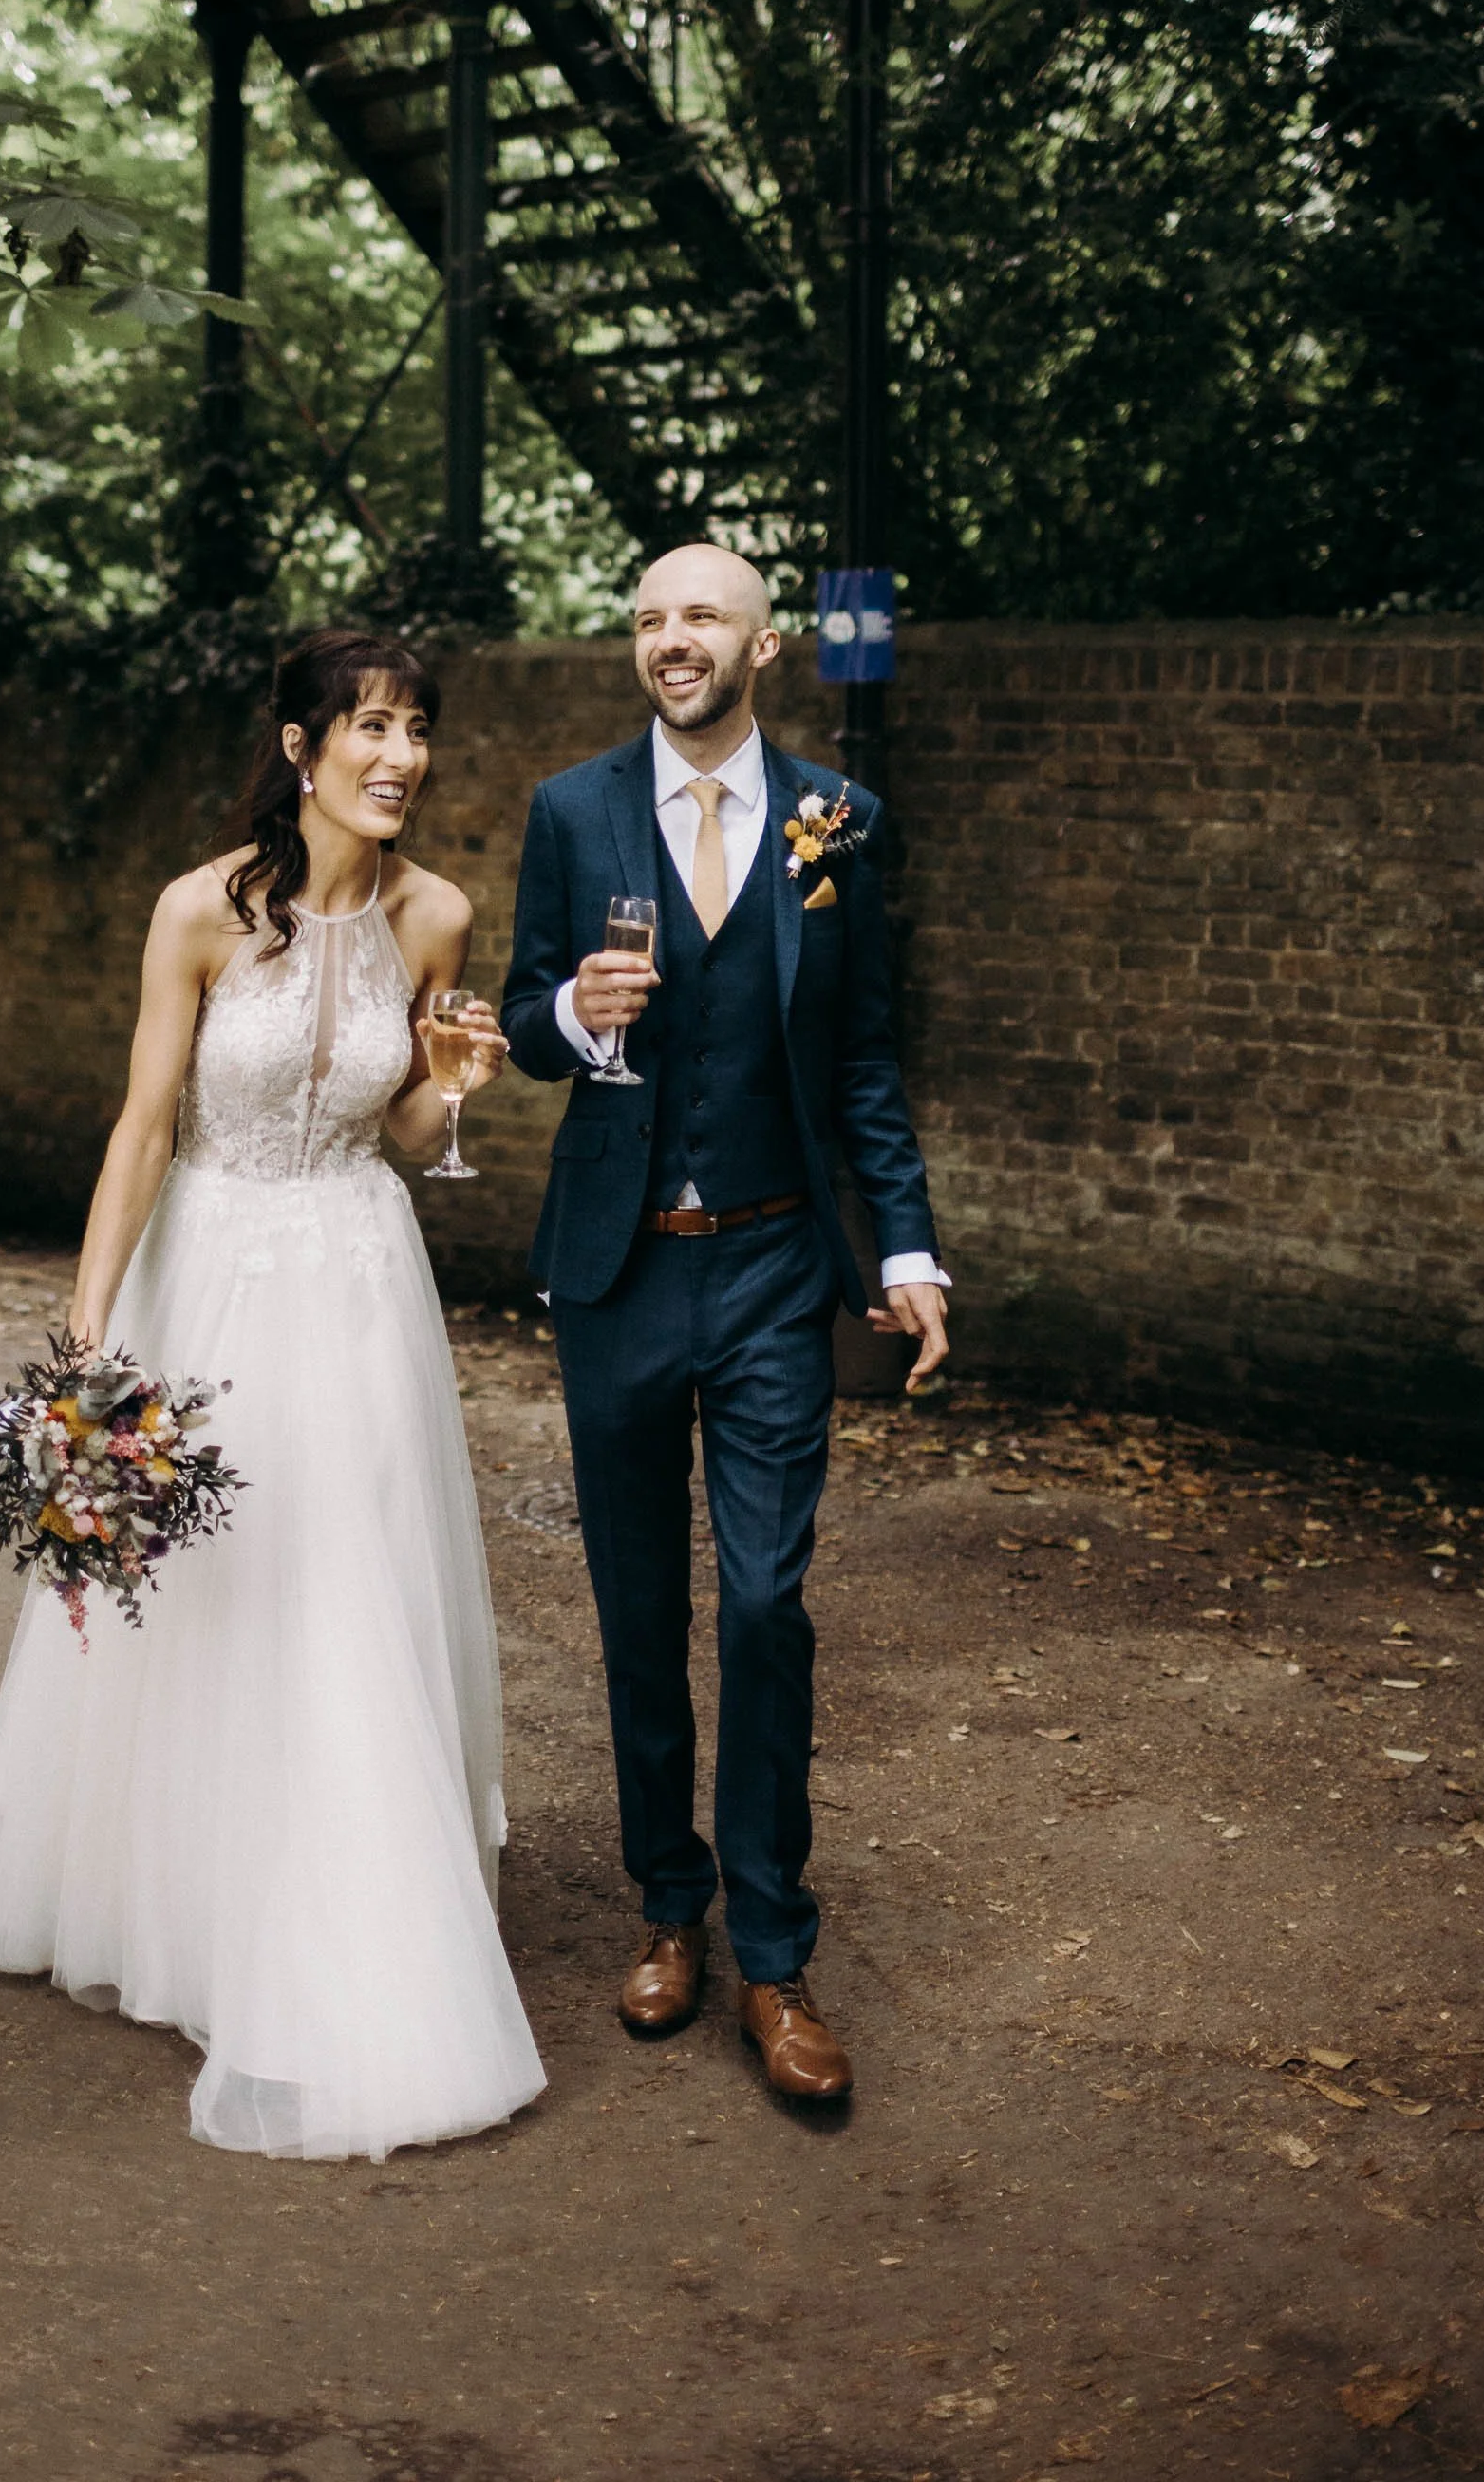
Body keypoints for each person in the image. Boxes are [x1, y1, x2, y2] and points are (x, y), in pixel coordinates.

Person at [0, 628, 546, 2162]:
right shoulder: (198, 910)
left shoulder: (439, 914)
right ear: (302, 743)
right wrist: (86, 1330)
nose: (401, 758)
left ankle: (351, 1885)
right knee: (204, 1582)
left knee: (350, 1575)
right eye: (370, 729)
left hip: (361, 1275)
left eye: (417, 731)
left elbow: (403, 1129)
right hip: (209, 1269)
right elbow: (142, 1128)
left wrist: (461, 1079)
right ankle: (179, 1877)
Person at [501, 545, 949, 2103]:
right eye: (644, 621)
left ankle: (775, 1953)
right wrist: (571, 1016)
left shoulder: (839, 822)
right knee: (638, 1608)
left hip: (769, 1268)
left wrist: (907, 1251)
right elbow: (519, 1017)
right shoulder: (572, 812)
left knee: (764, 1603)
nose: (667, 642)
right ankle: (667, 1906)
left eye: (697, 618)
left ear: (761, 647)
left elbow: (868, 1058)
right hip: (620, 1269)